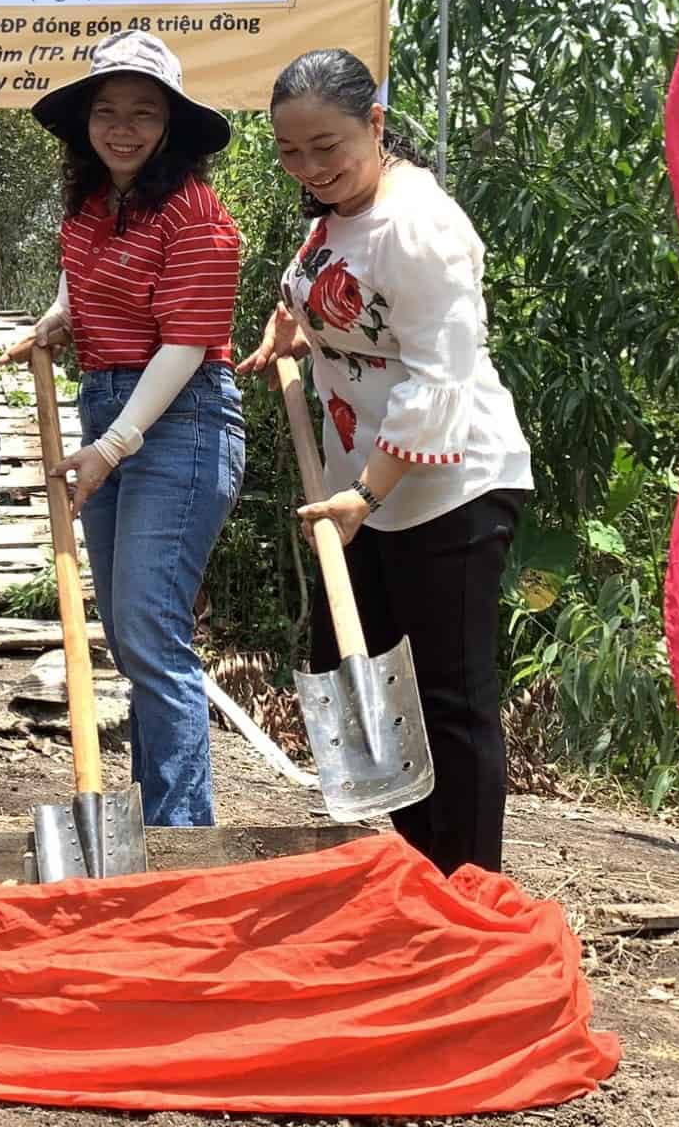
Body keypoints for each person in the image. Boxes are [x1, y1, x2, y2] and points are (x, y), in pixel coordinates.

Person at [237, 48, 534, 875]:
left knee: (446, 699)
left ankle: (468, 893)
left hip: (449, 489)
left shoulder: (420, 225)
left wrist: (365, 494)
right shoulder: (339, 208)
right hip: (364, 492)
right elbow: (339, 293)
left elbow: (440, 378)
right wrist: (292, 323)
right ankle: (418, 873)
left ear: (374, 123)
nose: (309, 168)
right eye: (290, 152)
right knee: (374, 686)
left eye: (325, 147)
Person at [6, 30, 245, 828]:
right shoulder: (92, 202)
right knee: (129, 631)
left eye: (144, 112)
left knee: (150, 632)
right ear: (86, 122)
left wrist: (112, 446)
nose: (123, 128)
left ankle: (180, 834)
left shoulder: (196, 212)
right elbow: (84, 276)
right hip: (107, 406)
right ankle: (151, 827)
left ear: (171, 124)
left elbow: (185, 345)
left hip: (180, 419)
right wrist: (55, 319)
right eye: (107, 111)